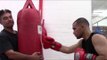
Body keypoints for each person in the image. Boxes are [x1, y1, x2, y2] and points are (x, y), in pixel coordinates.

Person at [42, 17, 107, 60]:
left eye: (74, 29)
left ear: (82, 27)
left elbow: (105, 57)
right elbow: (68, 49)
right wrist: (52, 44)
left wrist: (86, 57)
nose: (73, 32)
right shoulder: (82, 42)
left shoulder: (96, 38)